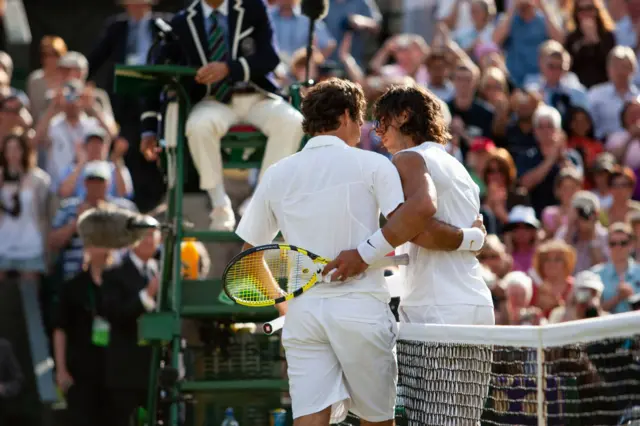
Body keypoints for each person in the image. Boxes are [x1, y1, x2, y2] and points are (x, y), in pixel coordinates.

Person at [235, 78, 480, 426]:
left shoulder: (277, 174)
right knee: (377, 422)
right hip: (361, 311)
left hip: (304, 316)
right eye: (362, 118)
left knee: (310, 421)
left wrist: (285, 303)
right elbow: (410, 224)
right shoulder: (375, 165)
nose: (366, 129)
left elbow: (249, 258)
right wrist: (471, 237)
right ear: (347, 115)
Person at [366, 83, 493, 423]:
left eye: (382, 121)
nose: (378, 131)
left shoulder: (408, 158)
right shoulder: (457, 166)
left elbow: (418, 229)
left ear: (404, 116)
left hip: (436, 312)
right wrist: (473, 239)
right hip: (473, 304)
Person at [139, 0, 304, 230]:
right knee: (198, 126)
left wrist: (229, 68)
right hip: (214, 101)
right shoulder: (181, 21)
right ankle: (220, 206)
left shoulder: (253, 7)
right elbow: (159, 74)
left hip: (257, 96)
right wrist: (149, 127)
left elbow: (270, 57)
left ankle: (262, 203)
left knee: (292, 121)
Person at [101, 229, 161, 426]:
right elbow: (115, 314)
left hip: (154, 368)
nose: (149, 240)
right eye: (144, 235)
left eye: (154, 234)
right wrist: (146, 296)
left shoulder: (161, 271)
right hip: (125, 371)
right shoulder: (114, 274)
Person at [53, 246, 113, 426]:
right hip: (81, 370)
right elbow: (60, 328)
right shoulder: (73, 286)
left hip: (114, 370)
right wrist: (61, 369)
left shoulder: (118, 284)